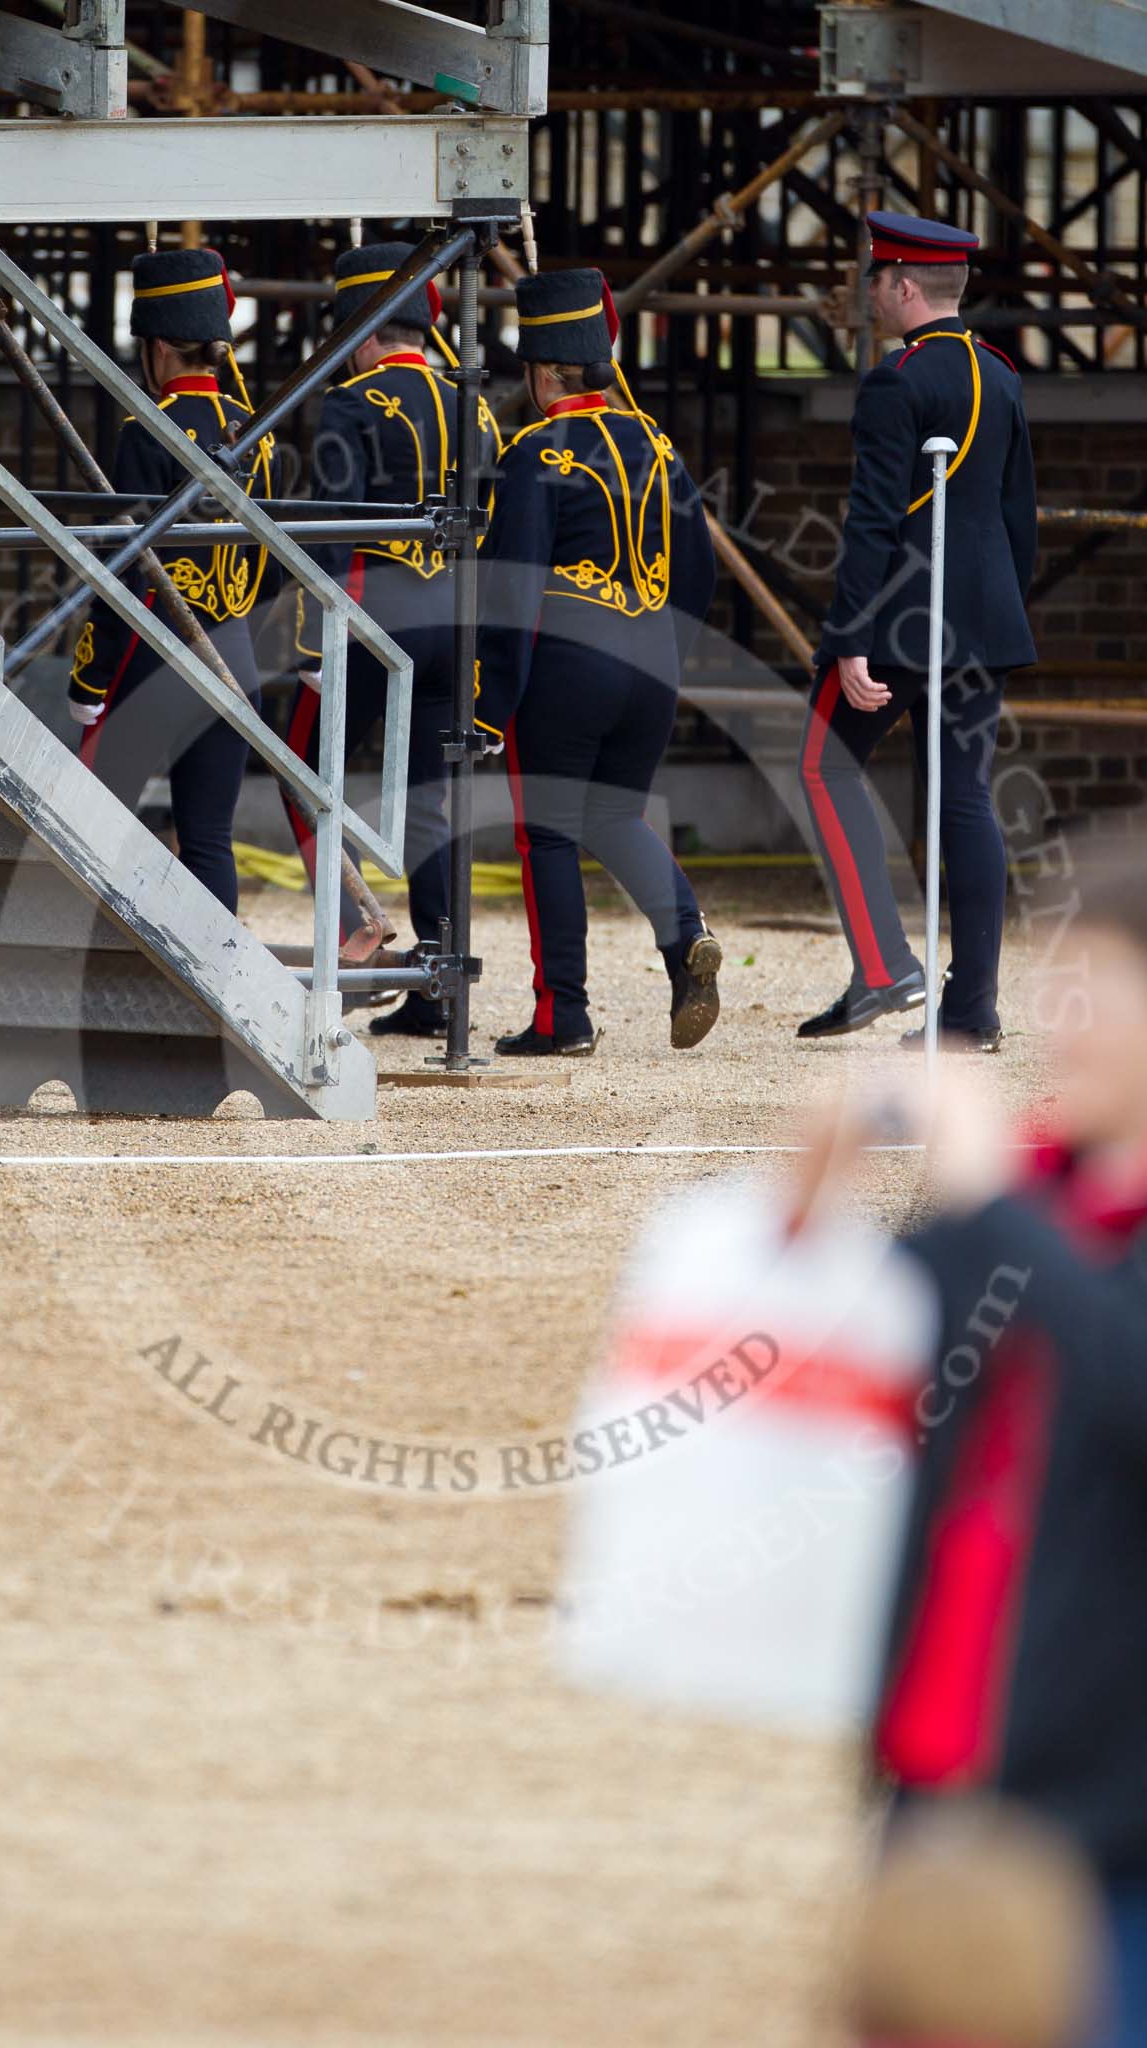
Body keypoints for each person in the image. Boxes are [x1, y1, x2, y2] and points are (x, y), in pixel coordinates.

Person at [794, 838, 1147, 2048]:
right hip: (949, 1775)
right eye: (1061, 988)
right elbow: (865, 1379)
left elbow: (1126, 1388)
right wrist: (807, 1210)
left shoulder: (1019, 1210)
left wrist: (993, 1204)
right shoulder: (1037, 1202)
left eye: (1100, 991)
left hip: (1116, 1823)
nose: (1064, 1025)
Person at [797, 210, 1038, 1050]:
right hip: (981, 622)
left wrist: (850, 634)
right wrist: (998, 614)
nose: (869, 293)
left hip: (899, 624)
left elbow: (870, 522)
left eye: (874, 280)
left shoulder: (897, 380)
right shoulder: (1000, 376)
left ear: (902, 286)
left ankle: (881, 964)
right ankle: (971, 1009)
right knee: (963, 800)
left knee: (821, 766)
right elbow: (1018, 521)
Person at [473, 266, 719, 1057]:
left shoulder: (532, 454)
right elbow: (700, 574)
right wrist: (662, 655)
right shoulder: (657, 443)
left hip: (566, 673)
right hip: (649, 662)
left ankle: (561, 1016)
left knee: (546, 835)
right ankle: (684, 942)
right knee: (614, 814)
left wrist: (486, 706)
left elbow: (510, 597)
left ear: (545, 371)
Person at [281, 242, 503, 1038]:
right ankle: (438, 986)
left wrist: (312, 645)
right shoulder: (472, 404)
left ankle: (359, 927)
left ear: (362, 328)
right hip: (456, 619)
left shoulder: (352, 402)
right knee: (428, 804)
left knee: (298, 772)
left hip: (374, 613)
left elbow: (332, 531)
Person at [66, 246, 273, 915]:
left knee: (95, 828)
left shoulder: (144, 430)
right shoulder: (254, 433)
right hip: (235, 654)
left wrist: (89, 679)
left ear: (156, 348)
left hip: (150, 657)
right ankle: (219, 996)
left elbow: (125, 564)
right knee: (209, 840)